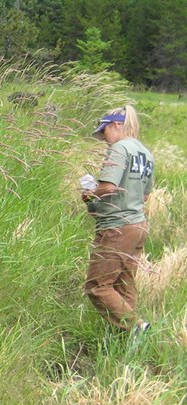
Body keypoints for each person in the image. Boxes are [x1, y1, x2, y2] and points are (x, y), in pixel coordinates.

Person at [82, 105, 154, 333]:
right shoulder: (145, 153)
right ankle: (128, 341)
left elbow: (108, 187)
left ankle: (137, 327)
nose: (104, 140)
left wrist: (89, 193)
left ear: (115, 125)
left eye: (104, 133)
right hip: (138, 226)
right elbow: (145, 194)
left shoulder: (119, 148)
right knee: (123, 284)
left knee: (97, 286)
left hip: (117, 227)